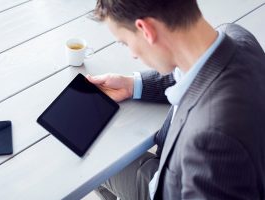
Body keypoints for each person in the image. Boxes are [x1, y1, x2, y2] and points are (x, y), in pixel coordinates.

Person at [87, 0, 265, 199]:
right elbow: (191, 70)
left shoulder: (211, 142)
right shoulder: (236, 37)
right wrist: (132, 85)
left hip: (167, 188)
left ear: (146, 30)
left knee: (95, 167)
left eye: (126, 42)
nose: (132, 54)